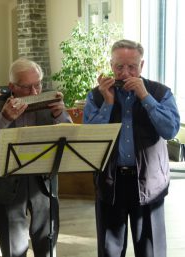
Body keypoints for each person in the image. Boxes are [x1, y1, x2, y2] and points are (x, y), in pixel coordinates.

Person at [83, 39, 180, 257]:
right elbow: (89, 139)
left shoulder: (160, 92)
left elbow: (170, 130)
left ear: (141, 66)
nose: (125, 72)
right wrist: (108, 104)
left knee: (150, 250)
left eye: (132, 67)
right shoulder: (97, 96)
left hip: (149, 183)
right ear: (111, 65)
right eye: (119, 67)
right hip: (111, 182)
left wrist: (146, 97)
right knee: (110, 251)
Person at [0, 58, 72, 257]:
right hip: (8, 183)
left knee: (47, 246)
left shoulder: (50, 101)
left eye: (38, 85)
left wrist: (60, 115)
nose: (35, 93)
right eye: (27, 87)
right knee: (13, 248)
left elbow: (70, 137)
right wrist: (4, 119)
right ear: (12, 87)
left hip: (44, 184)